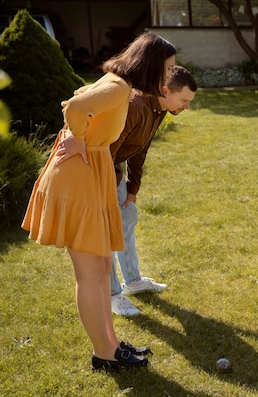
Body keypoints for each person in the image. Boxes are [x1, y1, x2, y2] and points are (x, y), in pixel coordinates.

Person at [22, 32, 177, 371]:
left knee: (103, 267)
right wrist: (77, 139)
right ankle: (103, 354)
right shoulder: (119, 87)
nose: (169, 76)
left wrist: (81, 139)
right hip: (78, 179)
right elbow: (76, 107)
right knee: (91, 274)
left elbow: (83, 103)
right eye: (167, 69)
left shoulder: (121, 86)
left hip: (93, 175)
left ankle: (111, 343)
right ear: (150, 66)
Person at [110, 65, 198, 316]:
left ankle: (133, 281)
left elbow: (140, 148)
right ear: (165, 90)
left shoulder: (159, 108)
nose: (186, 106)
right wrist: (108, 190)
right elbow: (105, 150)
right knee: (106, 231)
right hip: (94, 168)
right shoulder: (135, 106)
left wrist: (132, 188)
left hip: (112, 167)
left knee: (126, 216)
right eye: (184, 100)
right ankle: (113, 295)